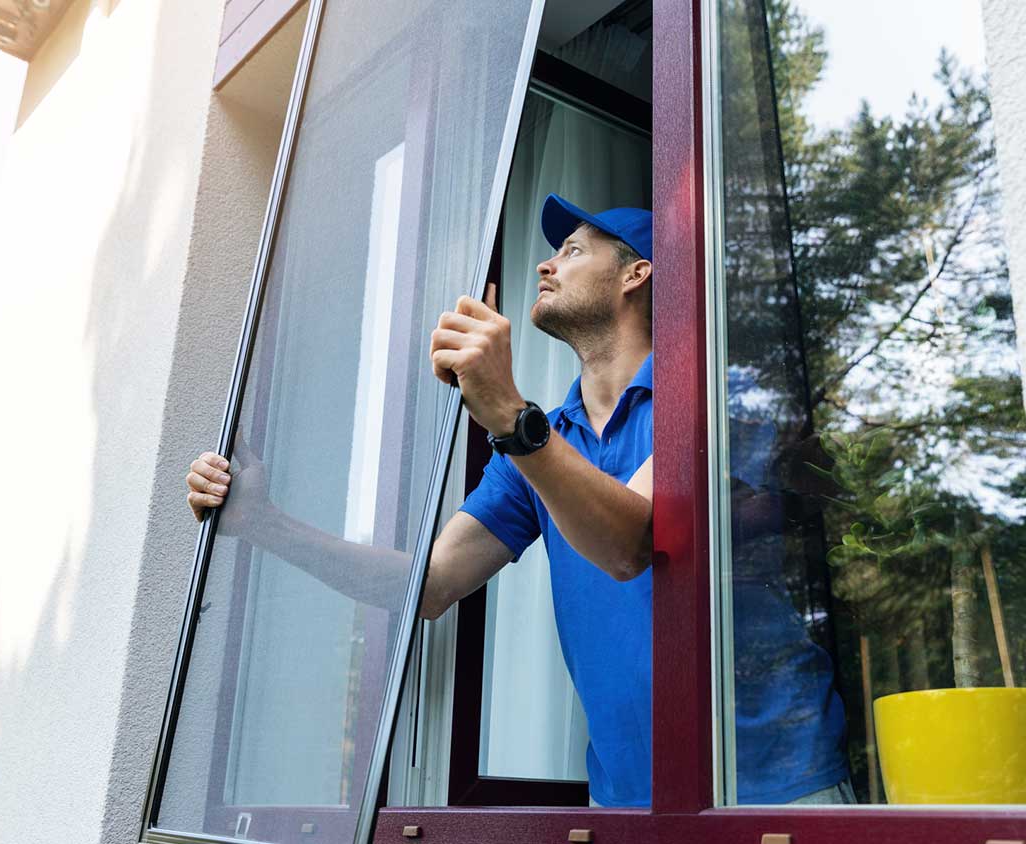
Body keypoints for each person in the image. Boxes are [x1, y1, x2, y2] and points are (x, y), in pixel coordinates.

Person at [185, 194, 850, 807]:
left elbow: (630, 542)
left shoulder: (707, 392)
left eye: (573, 250)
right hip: (627, 805)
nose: (546, 262)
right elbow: (428, 586)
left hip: (778, 783)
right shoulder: (545, 443)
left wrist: (507, 413)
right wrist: (264, 525)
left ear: (635, 274)